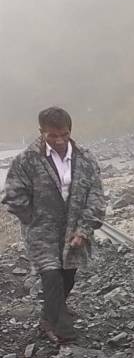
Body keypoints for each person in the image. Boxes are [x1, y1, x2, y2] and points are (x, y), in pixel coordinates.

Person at [2, 107, 106, 344]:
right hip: (41, 231)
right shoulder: (26, 160)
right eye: (52, 136)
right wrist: (33, 219)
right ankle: (64, 332)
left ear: (70, 131)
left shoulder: (86, 159)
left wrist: (84, 229)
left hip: (74, 229)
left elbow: (96, 196)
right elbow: (12, 196)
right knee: (51, 276)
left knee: (68, 276)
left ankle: (48, 317)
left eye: (64, 134)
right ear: (42, 132)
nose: (59, 140)